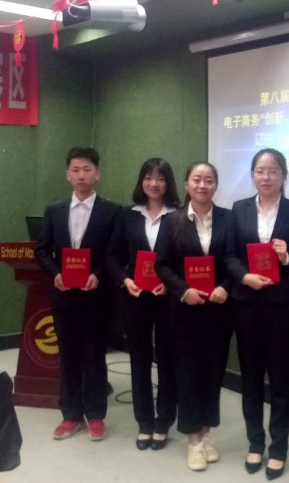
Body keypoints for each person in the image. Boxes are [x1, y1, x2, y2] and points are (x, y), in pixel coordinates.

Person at [226, 148, 289, 480]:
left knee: (280, 377)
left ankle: (278, 447)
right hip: (246, 302)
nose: (266, 177)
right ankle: (255, 442)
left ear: (283, 176)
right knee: (250, 377)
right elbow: (230, 254)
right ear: (253, 175)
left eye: (273, 171)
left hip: (280, 304)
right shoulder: (239, 209)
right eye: (260, 171)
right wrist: (244, 276)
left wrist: (288, 256)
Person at [35, 147, 121, 442]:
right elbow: (42, 250)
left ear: (98, 173)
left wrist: (98, 275)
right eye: (75, 170)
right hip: (64, 295)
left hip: (96, 296)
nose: (81, 175)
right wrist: (55, 273)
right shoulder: (54, 210)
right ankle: (71, 415)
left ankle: (95, 415)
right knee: (68, 355)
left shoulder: (112, 211)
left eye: (87, 169)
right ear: (67, 175)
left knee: (95, 355)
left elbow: (115, 253)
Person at [154, 161, 234, 472]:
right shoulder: (171, 221)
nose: (203, 185)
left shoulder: (228, 219)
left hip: (218, 310)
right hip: (184, 310)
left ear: (216, 185)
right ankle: (193, 439)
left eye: (209, 180)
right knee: (187, 373)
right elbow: (161, 265)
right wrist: (183, 290)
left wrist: (225, 287)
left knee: (213, 372)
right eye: (197, 179)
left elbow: (234, 260)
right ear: (187, 184)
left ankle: (207, 432)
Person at [107, 158, 181, 451]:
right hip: (135, 296)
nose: (154, 183)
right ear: (141, 182)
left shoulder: (179, 215)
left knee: (167, 360)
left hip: (168, 298)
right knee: (138, 360)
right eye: (148, 178)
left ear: (168, 183)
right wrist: (125, 280)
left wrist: (172, 284)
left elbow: (186, 258)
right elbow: (112, 256)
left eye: (160, 178)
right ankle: (144, 423)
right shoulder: (128, 216)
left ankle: (163, 422)